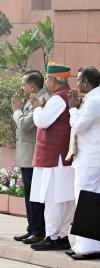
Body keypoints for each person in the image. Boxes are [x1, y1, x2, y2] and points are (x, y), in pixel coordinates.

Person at [29, 62, 75, 251]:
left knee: (53, 198)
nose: (46, 81)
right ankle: (62, 236)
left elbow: (42, 121)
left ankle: (53, 236)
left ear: (53, 81)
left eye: (47, 78)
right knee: (64, 199)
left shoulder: (58, 98)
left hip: (54, 157)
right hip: (62, 156)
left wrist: (36, 108)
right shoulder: (66, 95)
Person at [66, 66, 100, 260]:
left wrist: (72, 108)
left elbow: (79, 127)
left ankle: (88, 247)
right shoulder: (93, 97)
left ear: (86, 81)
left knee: (85, 202)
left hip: (90, 159)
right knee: (87, 201)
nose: (76, 83)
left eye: (79, 80)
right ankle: (82, 244)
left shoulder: (95, 100)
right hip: (89, 158)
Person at [11, 71, 48, 244]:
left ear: (33, 86)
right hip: (27, 156)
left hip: (34, 156)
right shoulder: (33, 98)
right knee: (29, 195)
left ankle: (38, 231)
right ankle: (32, 228)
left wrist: (17, 111)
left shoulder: (41, 99)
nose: (22, 87)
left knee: (35, 196)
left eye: (24, 84)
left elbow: (26, 125)